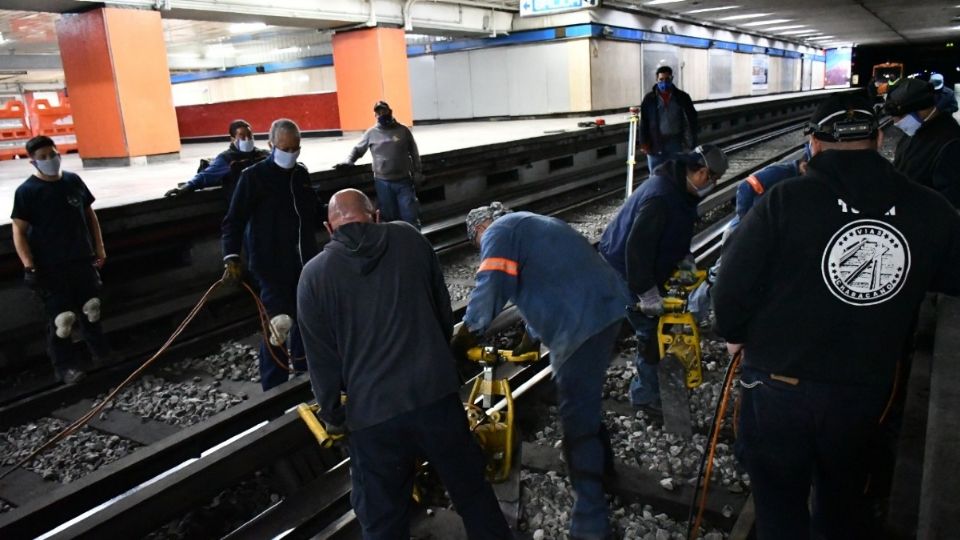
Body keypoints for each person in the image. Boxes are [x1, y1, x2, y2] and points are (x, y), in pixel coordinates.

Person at [712, 92, 960, 539]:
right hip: (861, 391)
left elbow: (731, 288)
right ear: (879, 138)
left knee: (779, 505)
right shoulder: (930, 209)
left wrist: (734, 333)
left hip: (777, 387)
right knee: (842, 501)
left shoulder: (783, 201)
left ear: (814, 144)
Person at [297, 189, 510, 540]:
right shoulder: (410, 239)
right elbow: (443, 313)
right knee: (471, 491)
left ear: (328, 228)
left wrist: (334, 417)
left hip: (373, 415)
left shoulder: (314, 276)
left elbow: (321, 362)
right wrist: (440, 363)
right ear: (376, 216)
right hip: (436, 396)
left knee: (383, 517)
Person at [452, 203, 631, 540]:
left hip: (581, 325)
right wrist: (529, 337)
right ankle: (605, 466)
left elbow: (491, 284)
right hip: (608, 308)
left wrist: (466, 335)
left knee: (577, 420)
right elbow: (549, 278)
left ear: (479, 230)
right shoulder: (535, 222)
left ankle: (591, 524)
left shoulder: (497, 232)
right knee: (585, 397)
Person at [598, 145, 729, 411]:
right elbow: (637, 250)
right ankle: (645, 396)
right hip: (623, 266)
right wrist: (647, 293)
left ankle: (649, 386)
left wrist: (684, 258)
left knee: (654, 326)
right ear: (702, 172)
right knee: (650, 329)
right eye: (713, 179)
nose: (713, 185)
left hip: (638, 261)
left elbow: (677, 228)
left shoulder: (680, 188)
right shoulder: (661, 197)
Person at [221, 118, 318, 391]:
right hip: (270, 267)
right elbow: (234, 220)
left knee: (306, 321)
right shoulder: (253, 177)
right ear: (271, 145)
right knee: (278, 327)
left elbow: (314, 211)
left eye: (295, 148)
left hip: (304, 264)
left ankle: (304, 375)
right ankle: (273, 392)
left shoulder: (300, 175)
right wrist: (231, 255)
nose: (290, 154)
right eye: (284, 148)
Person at [11, 136, 111, 384]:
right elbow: (19, 232)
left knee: (91, 310)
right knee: (62, 320)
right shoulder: (27, 192)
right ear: (33, 162)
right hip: (50, 267)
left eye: (52, 154)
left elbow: (90, 216)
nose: (49, 160)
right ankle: (65, 367)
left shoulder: (72, 181)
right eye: (43, 157)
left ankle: (101, 354)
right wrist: (29, 266)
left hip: (81, 260)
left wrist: (99, 248)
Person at [335, 101, 423, 228]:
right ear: (375, 115)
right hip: (383, 183)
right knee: (389, 218)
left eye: (384, 111)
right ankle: (394, 244)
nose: (382, 114)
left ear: (390, 111)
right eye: (378, 112)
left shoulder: (403, 130)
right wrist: (349, 160)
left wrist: (417, 171)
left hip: (404, 181)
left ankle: (414, 242)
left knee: (410, 215)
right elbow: (358, 150)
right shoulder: (371, 133)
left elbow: (414, 152)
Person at [885, 78, 960, 208]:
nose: (895, 122)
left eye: (900, 117)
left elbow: (950, 200)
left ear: (922, 110)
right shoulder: (916, 130)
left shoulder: (950, 143)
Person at [164, 119, 269, 200]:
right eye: (242, 136)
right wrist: (184, 188)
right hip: (243, 206)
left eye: (250, 136)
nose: (247, 139)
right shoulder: (227, 159)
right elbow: (205, 176)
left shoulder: (262, 154)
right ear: (233, 139)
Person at [639, 66, 699, 172]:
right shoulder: (649, 99)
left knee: (677, 172)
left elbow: (692, 118)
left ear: (672, 78)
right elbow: (644, 122)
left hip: (675, 142)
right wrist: (644, 143)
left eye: (667, 79)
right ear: (656, 80)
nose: (664, 83)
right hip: (655, 142)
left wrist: (691, 140)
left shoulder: (682, 97)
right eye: (661, 80)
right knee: (656, 174)